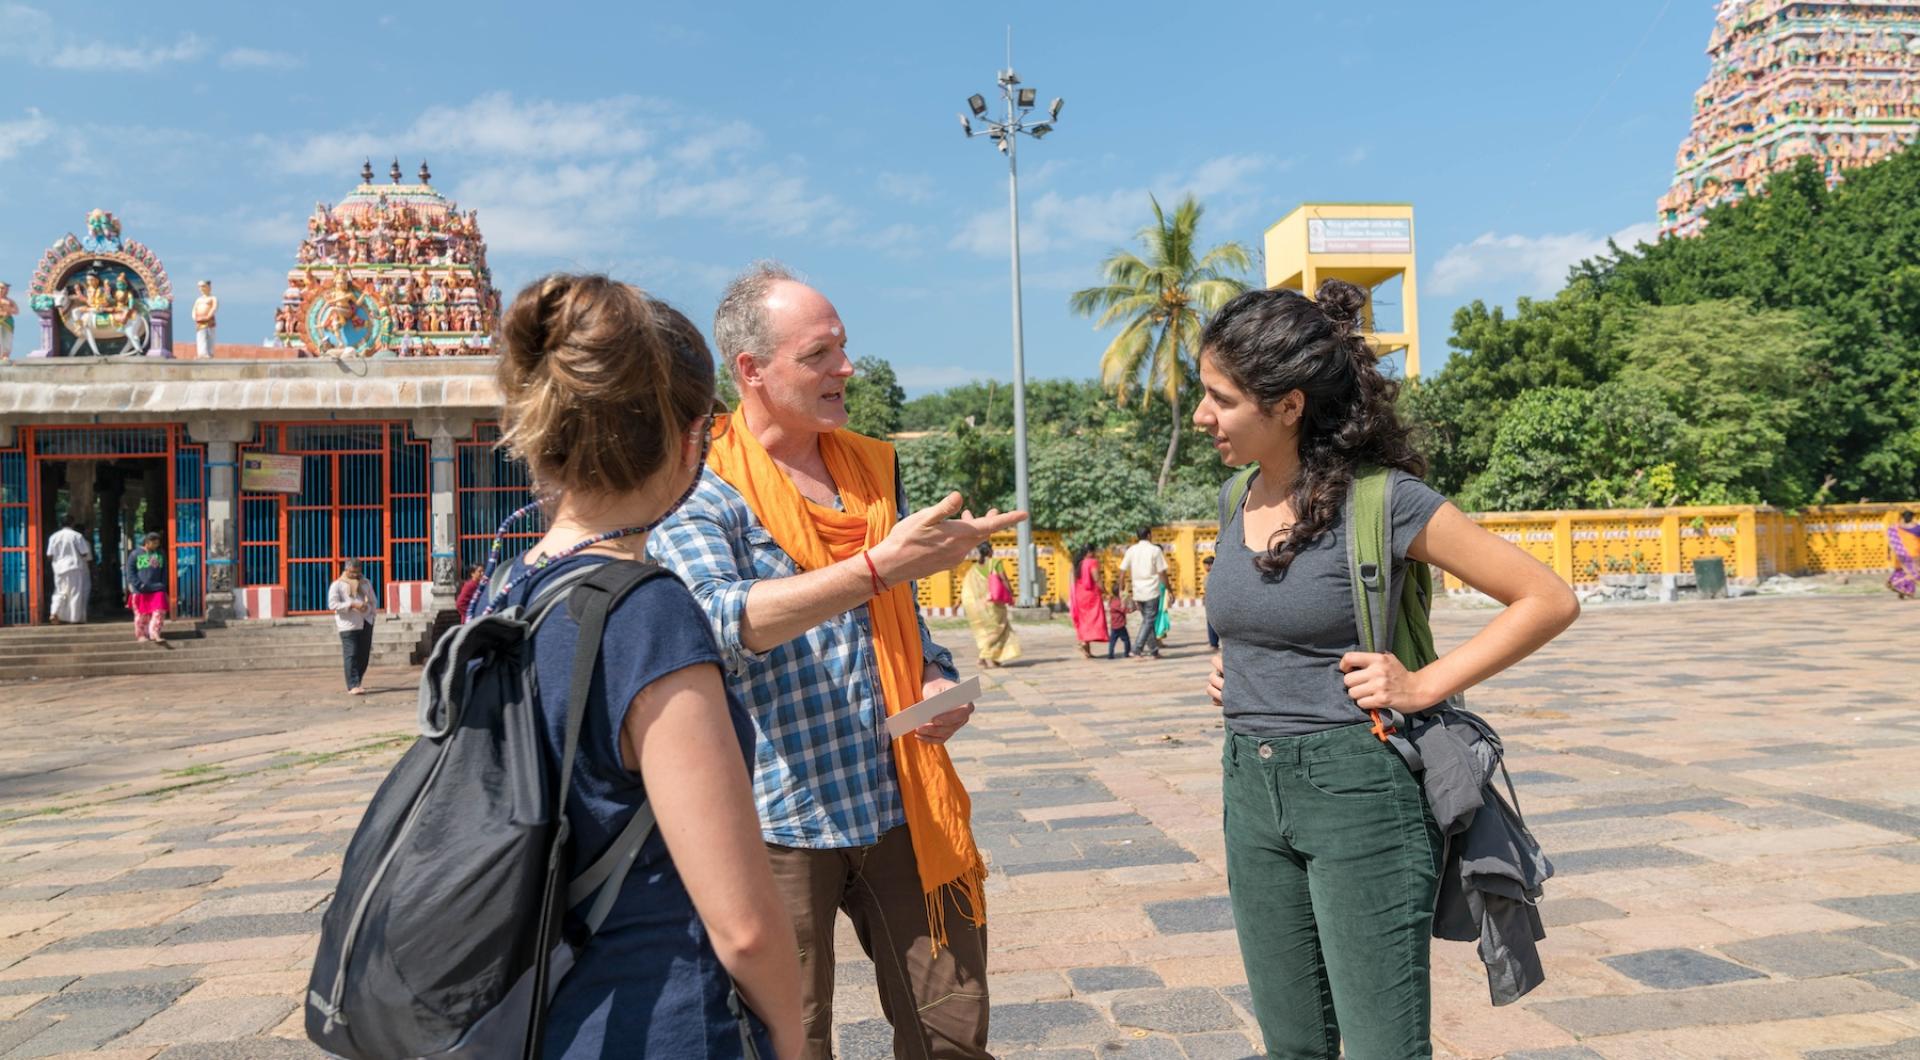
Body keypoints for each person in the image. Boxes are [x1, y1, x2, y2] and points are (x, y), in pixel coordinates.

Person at [1195, 280, 1579, 1059]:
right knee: (1292, 1044)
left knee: (1381, 1047)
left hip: (1358, 793)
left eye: (1221, 399)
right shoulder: (1238, 493)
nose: (1202, 416)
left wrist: (1424, 683)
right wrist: (1228, 665)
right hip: (1249, 788)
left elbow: (1545, 597)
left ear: (1290, 404)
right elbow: (1253, 618)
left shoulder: (1385, 501)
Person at [650, 262, 1023, 1060]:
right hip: (776, 819)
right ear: (752, 370)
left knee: (951, 1033)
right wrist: (878, 567)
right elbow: (718, 619)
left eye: (844, 349)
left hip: (900, 798)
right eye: (820, 354)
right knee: (789, 1040)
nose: (844, 369)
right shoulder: (701, 484)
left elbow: (901, 623)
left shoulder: (867, 469)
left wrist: (934, 675)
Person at [486, 273, 804, 1058]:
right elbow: (743, 926)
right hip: (661, 1017)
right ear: (690, 434)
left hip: (539, 1013)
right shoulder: (647, 614)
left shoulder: (506, 585)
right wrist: (794, 1038)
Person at [961, 541, 1021, 669]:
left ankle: (992, 658)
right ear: (989, 551)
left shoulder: (974, 568)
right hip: (995, 604)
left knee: (992, 631)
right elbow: (1004, 579)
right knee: (997, 630)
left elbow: (967, 589)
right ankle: (987, 658)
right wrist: (1011, 594)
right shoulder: (995, 563)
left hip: (981, 606)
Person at [327, 560, 379, 694]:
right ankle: (352, 684)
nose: (355, 574)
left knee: (364, 655)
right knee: (351, 653)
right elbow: (333, 604)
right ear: (346, 570)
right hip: (348, 624)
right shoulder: (337, 584)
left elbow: (373, 599)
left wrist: (370, 611)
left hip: (366, 621)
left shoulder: (365, 582)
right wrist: (351, 605)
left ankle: (358, 679)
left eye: (357, 572)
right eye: (352, 572)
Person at [1119, 527, 1168, 659]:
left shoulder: (1131, 550)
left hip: (1138, 593)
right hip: (1152, 591)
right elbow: (1162, 572)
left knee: (1148, 621)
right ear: (1149, 535)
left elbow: (1122, 572)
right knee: (1148, 621)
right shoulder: (1155, 550)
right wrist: (1169, 589)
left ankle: (1154, 651)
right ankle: (1137, 649)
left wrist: (1121, 588)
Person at [123, 532, 167, 643]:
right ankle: (141, 635)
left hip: (157, 589)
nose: (156, 545)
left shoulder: (160, 554)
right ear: (147, 543)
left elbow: (164, 571)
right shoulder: (135, 554)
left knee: (159, 612)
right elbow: (130, 572)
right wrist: (138, 585)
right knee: (141, 616)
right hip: (140, 590)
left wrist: (163, 585)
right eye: (154, 543)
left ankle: (155, 633)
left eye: (158, 543)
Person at [47, 519, 92, 624]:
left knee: (59, 591)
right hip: (74, 567)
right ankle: (74, 618)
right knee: (75, 593)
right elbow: (85, 553)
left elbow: (49, 555)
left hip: (58, 568)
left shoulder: (53, 537)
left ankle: (54, 612)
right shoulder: (77, 536)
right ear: (72, 524)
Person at [1068, 545, 1107, 660]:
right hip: (1091, 596)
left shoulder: (1077, 564)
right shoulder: (1091, 562)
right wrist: (1104, 590)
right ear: (1089, 552)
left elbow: (1073, 581)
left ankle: (1086, 648)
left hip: (1079, 596)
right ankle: (1084, 643)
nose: (1095, 554)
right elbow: (1096, 578)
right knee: (1092, 620)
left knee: (1083, 620)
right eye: (1094, 551)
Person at [1889, 510, 1920, 599]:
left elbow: (1892, 542)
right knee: (1914, 573)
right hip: (1913, 553)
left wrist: (1889, 553)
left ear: (1902, 517)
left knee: (1903, 571)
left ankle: (1904, 591)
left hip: (1900, 553)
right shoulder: (1917, 528)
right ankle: (1895, 583)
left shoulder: (1896, 528)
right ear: (1913, 517)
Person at [1105, 576, 1133, 659]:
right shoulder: (1118, 603)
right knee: (1126, 640)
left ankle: (1110, 654)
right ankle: (1126, 653)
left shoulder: (1112, 601)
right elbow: (1124, 610)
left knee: (1112, 641)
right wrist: (1131, 609)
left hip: (1114, 625)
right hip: (1120, 625)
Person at [1203, 554, 1219, 649]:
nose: (1205, 567)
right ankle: (1213, 643)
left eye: (1206, 565)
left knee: (1211, 623)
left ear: (1211, 565)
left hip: (1212, 602)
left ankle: (1213, 643)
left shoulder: (1212, 576)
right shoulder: (1212, 575)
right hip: (1211, 601)